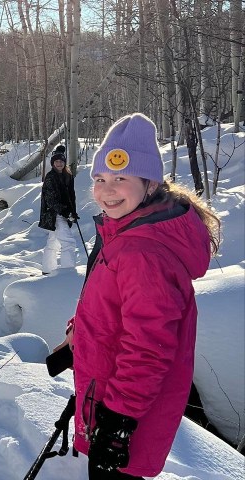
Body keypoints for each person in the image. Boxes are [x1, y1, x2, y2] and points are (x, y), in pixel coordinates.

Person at [55, 113, 221, 479]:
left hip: (125, 411)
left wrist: (117, 421)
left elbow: (148, 346)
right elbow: (112, 304)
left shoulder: (142, 252)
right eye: (100, 179)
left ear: (149, 185)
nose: (106, 190)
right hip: (109, 392)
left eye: (120, 179)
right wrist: (79, 329)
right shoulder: (126, 233)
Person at [38, 144, 78, 274]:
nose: (59, 163)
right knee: (68, 242)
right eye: (56, 161)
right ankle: (68, 272)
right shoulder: (51, 177)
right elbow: (50, 200)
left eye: (61, 161)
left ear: (64, 162)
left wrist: (73, 211)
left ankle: (47, 270)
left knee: (53, 243)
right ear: (53, 163)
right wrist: (65, 212)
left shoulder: (68, 175)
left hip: (64, 213)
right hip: (55, 214)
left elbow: (71, 196)